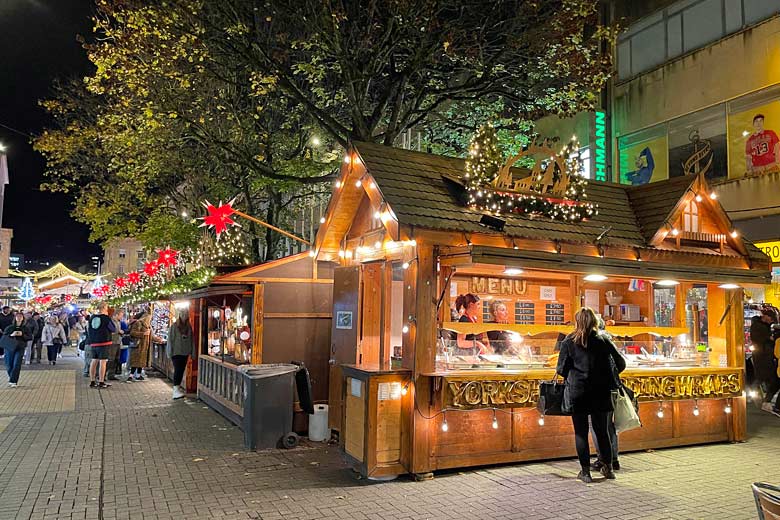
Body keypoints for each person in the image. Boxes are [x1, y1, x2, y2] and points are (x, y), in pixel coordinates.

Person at [557, 307, 626, 483]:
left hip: (577, 392)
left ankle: (585, 472)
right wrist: (607, 373)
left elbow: (561, 369)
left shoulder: (569, 341)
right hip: (600, 391)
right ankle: (608, 468)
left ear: (577, 321)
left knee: (581, 432)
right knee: (602, 431)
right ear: (595, 321)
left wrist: (573, 375)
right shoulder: (603, 339)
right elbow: (621, 362)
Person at [590, 317, 622, 471]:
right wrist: (612, 376)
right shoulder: (608, 340)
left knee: (596, 425)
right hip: (611, 387)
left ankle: (603, 459)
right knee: (609, 425)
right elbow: (621, 363)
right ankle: (613, 459)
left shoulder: (593, 340)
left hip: (596, 389)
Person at [751, 308, 780, 413]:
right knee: (763, 377)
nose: (771, 321)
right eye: (771, 318)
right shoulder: (758, 326)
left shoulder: (762, 325)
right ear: (766, 316)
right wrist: (772, 338)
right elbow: (767, 339)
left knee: (769, 378)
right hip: (761, 356)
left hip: (766, 355)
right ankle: (757, 397)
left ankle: (765, 401)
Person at [86, 302, 116, 389]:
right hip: (104, 342)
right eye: (106, 307)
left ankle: (92, 381)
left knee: (94, 361)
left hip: (93, 342)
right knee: (103, 362)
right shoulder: (106, 318)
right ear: (103, 308)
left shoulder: (92, 317)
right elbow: (113, 329)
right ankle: (101, 381)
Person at [167, 309, 194, 399]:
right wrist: (169, 352)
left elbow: (191, 340)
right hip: (176, 352)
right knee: (178, 370)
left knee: (181, 370)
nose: (184, 316)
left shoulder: (188, 327)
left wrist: (192, 352)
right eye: (183, 314)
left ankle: (177, 389)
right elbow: (170, 340)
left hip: (185, 352)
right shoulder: (174, 326)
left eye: (186, 314)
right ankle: (175, 390)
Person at [2, 312, 32, 387]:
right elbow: (4, 337)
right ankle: (12, 377)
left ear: (23, 318)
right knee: (9, 364)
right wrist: (12, 334)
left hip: (20, 347)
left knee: (17, 364)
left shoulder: (25, 328)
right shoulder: (10, 327)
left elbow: (30, 337)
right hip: (10, 347)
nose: (19, 318)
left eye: (20, 316)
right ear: (15, 318)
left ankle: (13, 381)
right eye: (17, 316)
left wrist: (22, 335)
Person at [129, 311, 161, 381]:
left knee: (142, 362)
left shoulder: (148, 326)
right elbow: (132, 332)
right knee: (136, 361)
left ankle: (138, 375)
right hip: (139, 346)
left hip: (146, 347)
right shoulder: (138, 323)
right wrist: (143, 334)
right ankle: (130, 376)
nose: (150, 320)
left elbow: (151, 336)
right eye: (149, 318)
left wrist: (158, 339)